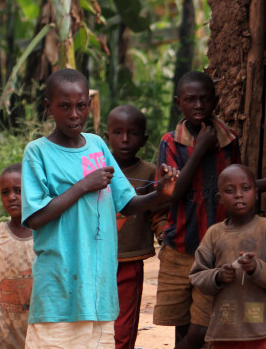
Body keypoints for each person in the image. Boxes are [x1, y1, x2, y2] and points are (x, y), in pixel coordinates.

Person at [21, 68, 177, 349]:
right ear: (48, 108)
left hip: (99, 291)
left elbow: (127, 204)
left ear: (88, 106)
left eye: (81, 106)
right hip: (59, 288)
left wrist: (159, 193)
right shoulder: (38, 152)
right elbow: (35, 218)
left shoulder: (96, 145)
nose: (74, 114)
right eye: (64, 106)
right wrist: (82, 186)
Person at [152, 71, 242, 349]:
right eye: (191, 100)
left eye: (205, 99)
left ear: (215, 102)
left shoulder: (228, 141)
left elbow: (238, 186)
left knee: (202, 327)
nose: (199, 105)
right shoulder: (170, 142)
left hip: (216, 250)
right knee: (181, 322)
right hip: (180, 245)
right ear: (179, 103)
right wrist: (201, 147)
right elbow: (173, 192)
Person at [188, 164, 266, 349]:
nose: (238, 195)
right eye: (229, 190)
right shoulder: (214, 233)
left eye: (246, 188)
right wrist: (217, 276)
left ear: (256, 193)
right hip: (226, 334)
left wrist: (256, 268)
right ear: (220, 199)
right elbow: (197, 275)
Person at [106, 105, 157, 349]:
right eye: (117, 132)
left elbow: (157, 211)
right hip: (96, 260)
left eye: (132, 133)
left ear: (144, 139)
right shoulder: (96, 169)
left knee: (123, 327)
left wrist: (166, 233)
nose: (124, 139)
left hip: (130, 260)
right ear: (107, 137)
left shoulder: (148, 172)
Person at [0, 164, 34, 349]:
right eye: (5, 192)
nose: (12, 197)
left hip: (39, 330)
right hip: (7, 331)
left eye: (18, 191)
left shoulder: (43, 233)